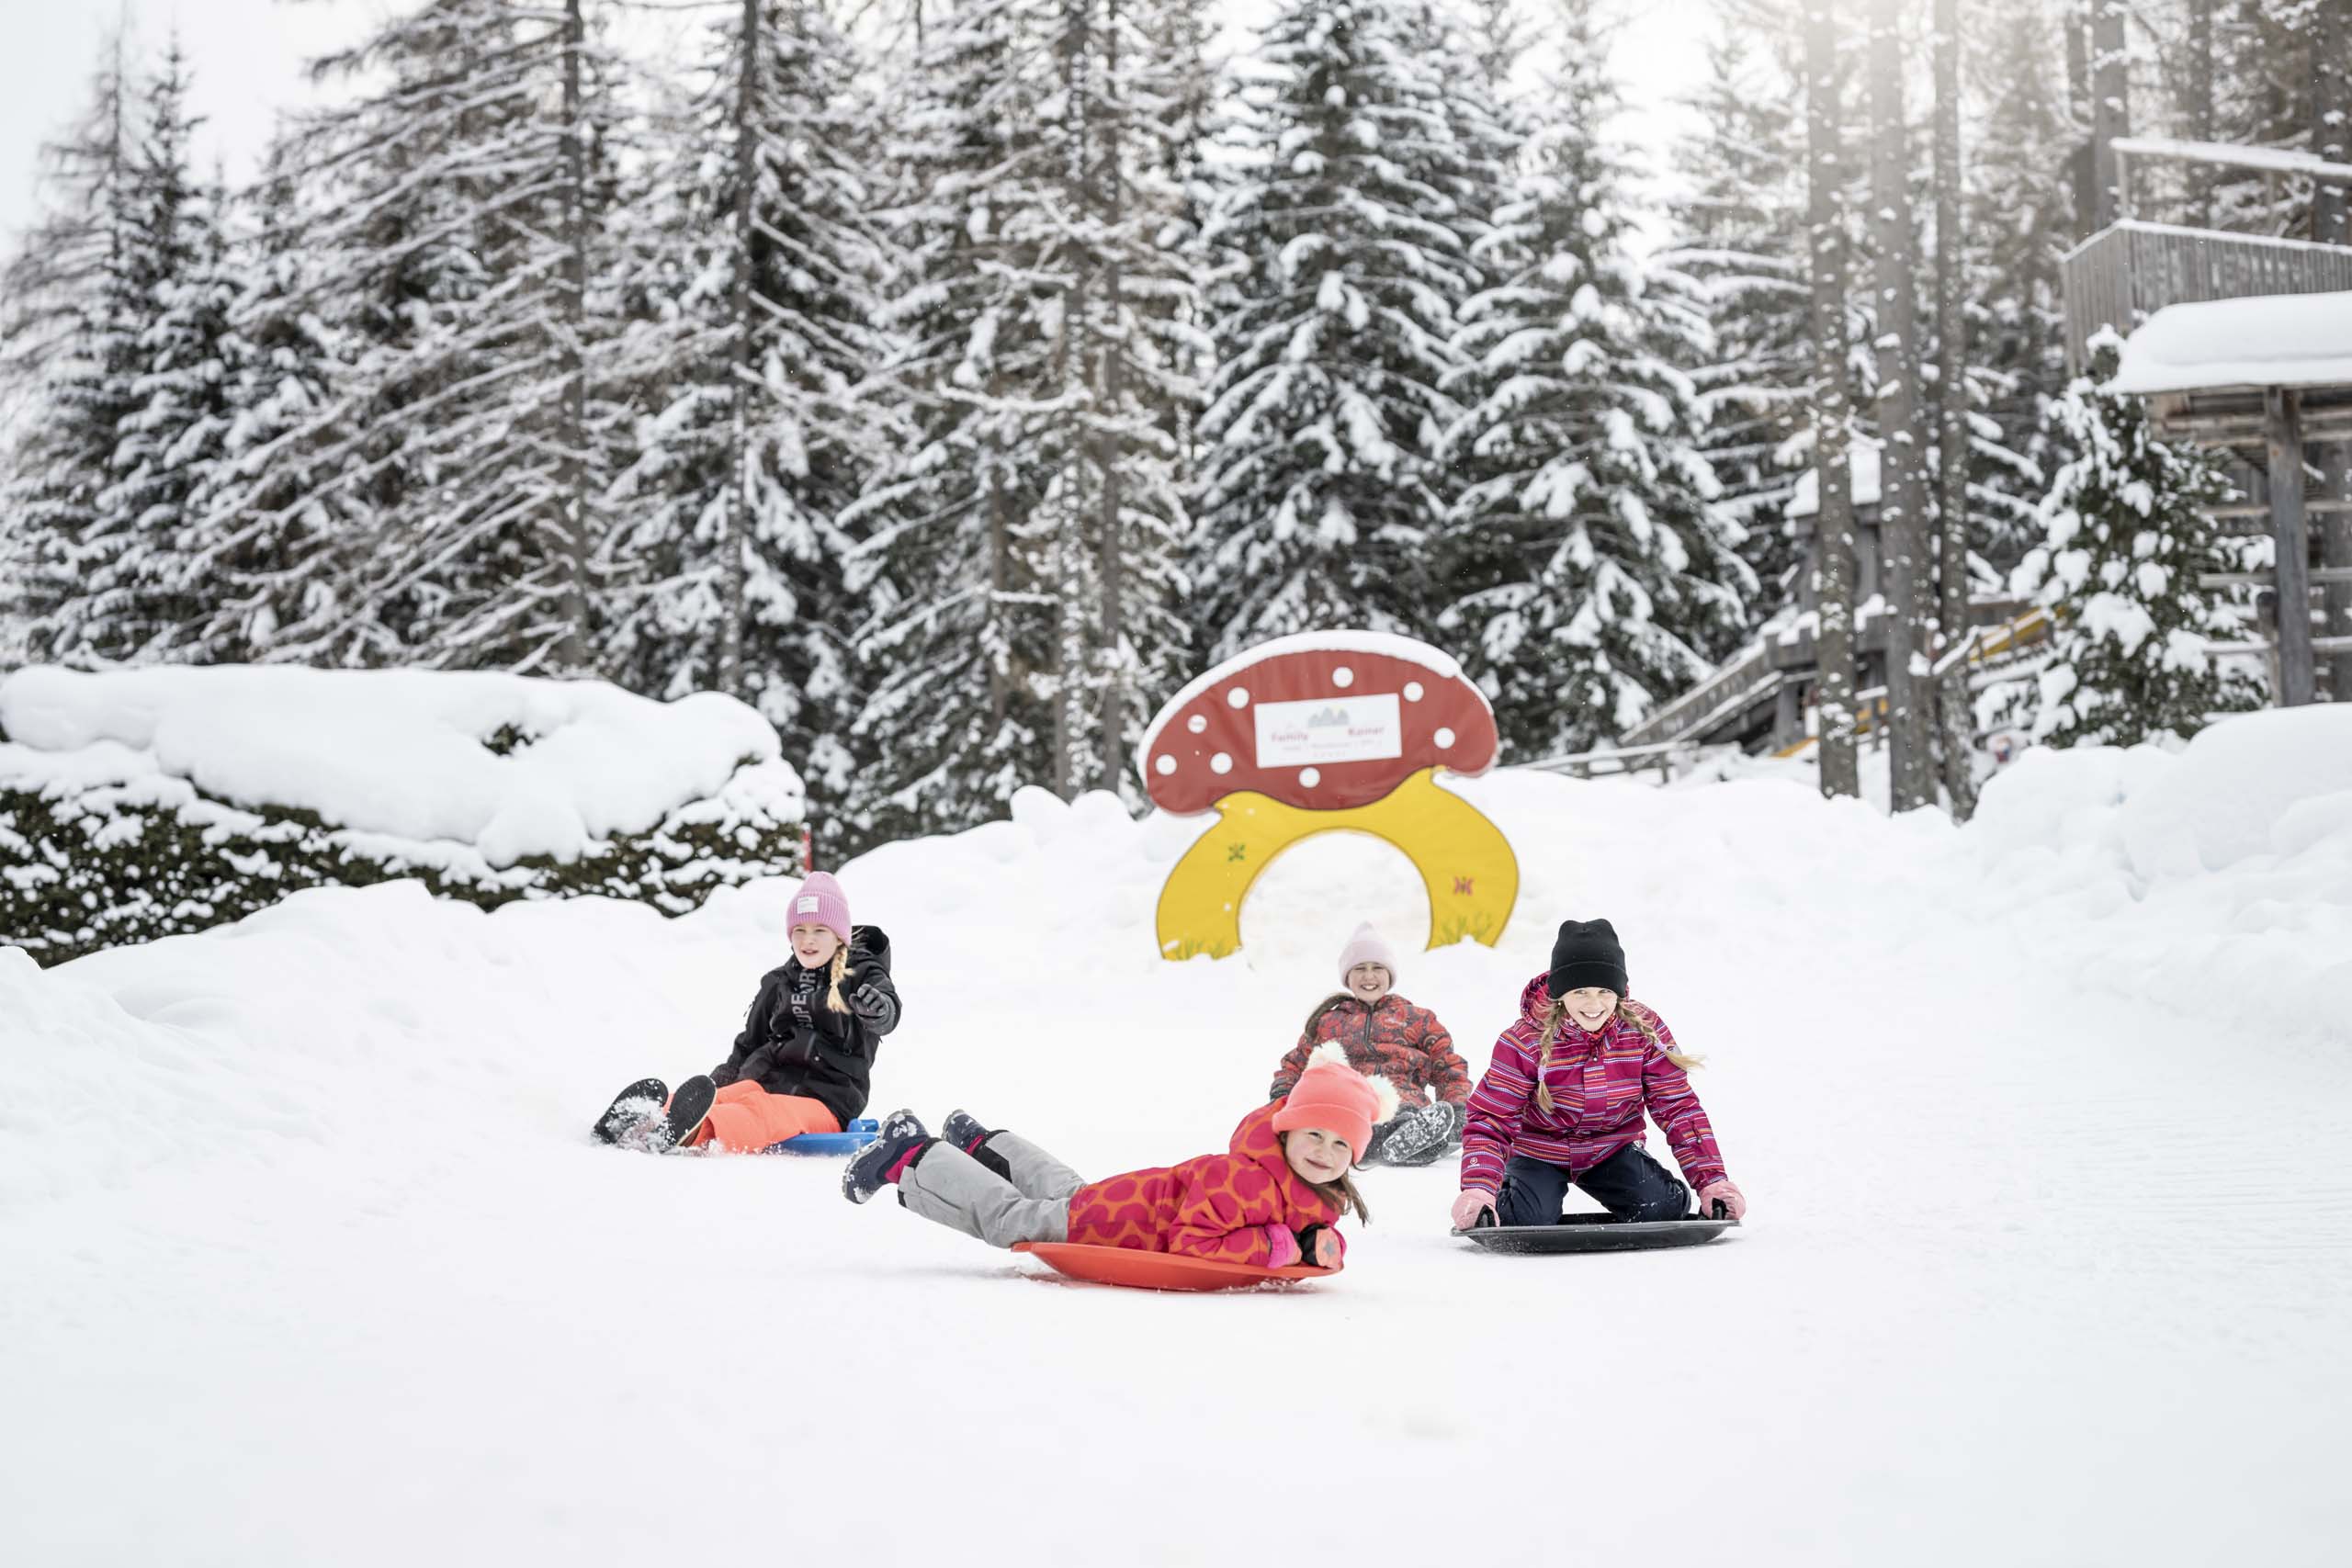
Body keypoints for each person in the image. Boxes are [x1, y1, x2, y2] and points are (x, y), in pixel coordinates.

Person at [842, 1060, 1381, 1269]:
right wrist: (1271, 1247)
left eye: (1342, 1145)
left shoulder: (1310, 1185)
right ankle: (909, 1154)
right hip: (1121, 1225)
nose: (1324, 1152)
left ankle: (982, 1145)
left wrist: (1319, 1242)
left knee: (1069, 1194)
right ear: (1287, 1131)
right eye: (1314, 1134)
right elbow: (1192, 1246)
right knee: (1015, 1220)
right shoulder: (1247, 1180)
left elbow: (1305, 1226)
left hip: (1130, 1208)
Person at [1449, 919, 1747, 1230]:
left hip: (1611, 1149)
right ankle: (1502, 1197)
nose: (1594, 1004)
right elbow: (1492, 1118)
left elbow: (1678, 1107)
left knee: (1663, 1209)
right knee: (1526, 1219)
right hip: (1538, 1152)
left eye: (1605, 991)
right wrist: (1478, 1190)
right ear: (1561, 993)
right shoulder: (1524, 1041)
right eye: (1580, 991)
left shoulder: (1642, 1031)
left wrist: (1712, 1182)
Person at [591, 872, 899, 1153]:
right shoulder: (778, 982)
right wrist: (721, 1081)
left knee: (763, 1112)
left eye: (820, 930)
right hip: (768, 1082)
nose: (808, 939)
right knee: (734, 1095)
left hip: (827, 1101)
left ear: (839, 936)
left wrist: (879, 1009)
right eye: (800, 929)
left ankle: (693, 1131)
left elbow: (888, 1005)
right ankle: (644, 1115)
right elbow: (751, 1042)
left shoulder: (861, 975)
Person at [1270, 922, 1469, 1166]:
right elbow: (1295, 1064)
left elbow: (1448, 1067)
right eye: (1360, 969)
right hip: (1347, 1103)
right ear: (1348, 977)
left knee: (1403, 1113)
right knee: (1343, 1115)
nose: (1369, 976)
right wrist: (1281, 1098)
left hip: (1403, 1101)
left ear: (1389, 975)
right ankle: (1397, 1144)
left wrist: (1457, 1107)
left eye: (1377, 968)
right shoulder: (1329, 1022)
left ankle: (1409, 1136)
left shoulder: (1417, 1019)